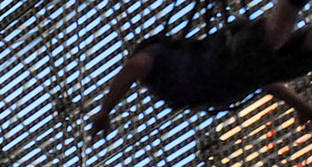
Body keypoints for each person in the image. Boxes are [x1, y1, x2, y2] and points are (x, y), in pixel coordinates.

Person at [90, 0, 312, 136]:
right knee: (300, 52)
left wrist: (105, 110)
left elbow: (134, 65)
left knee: (273, 37)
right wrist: (300, 106)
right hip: (249, 71)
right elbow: (266, 83)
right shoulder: (176, 77)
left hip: (229, 57)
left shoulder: (160, 63)